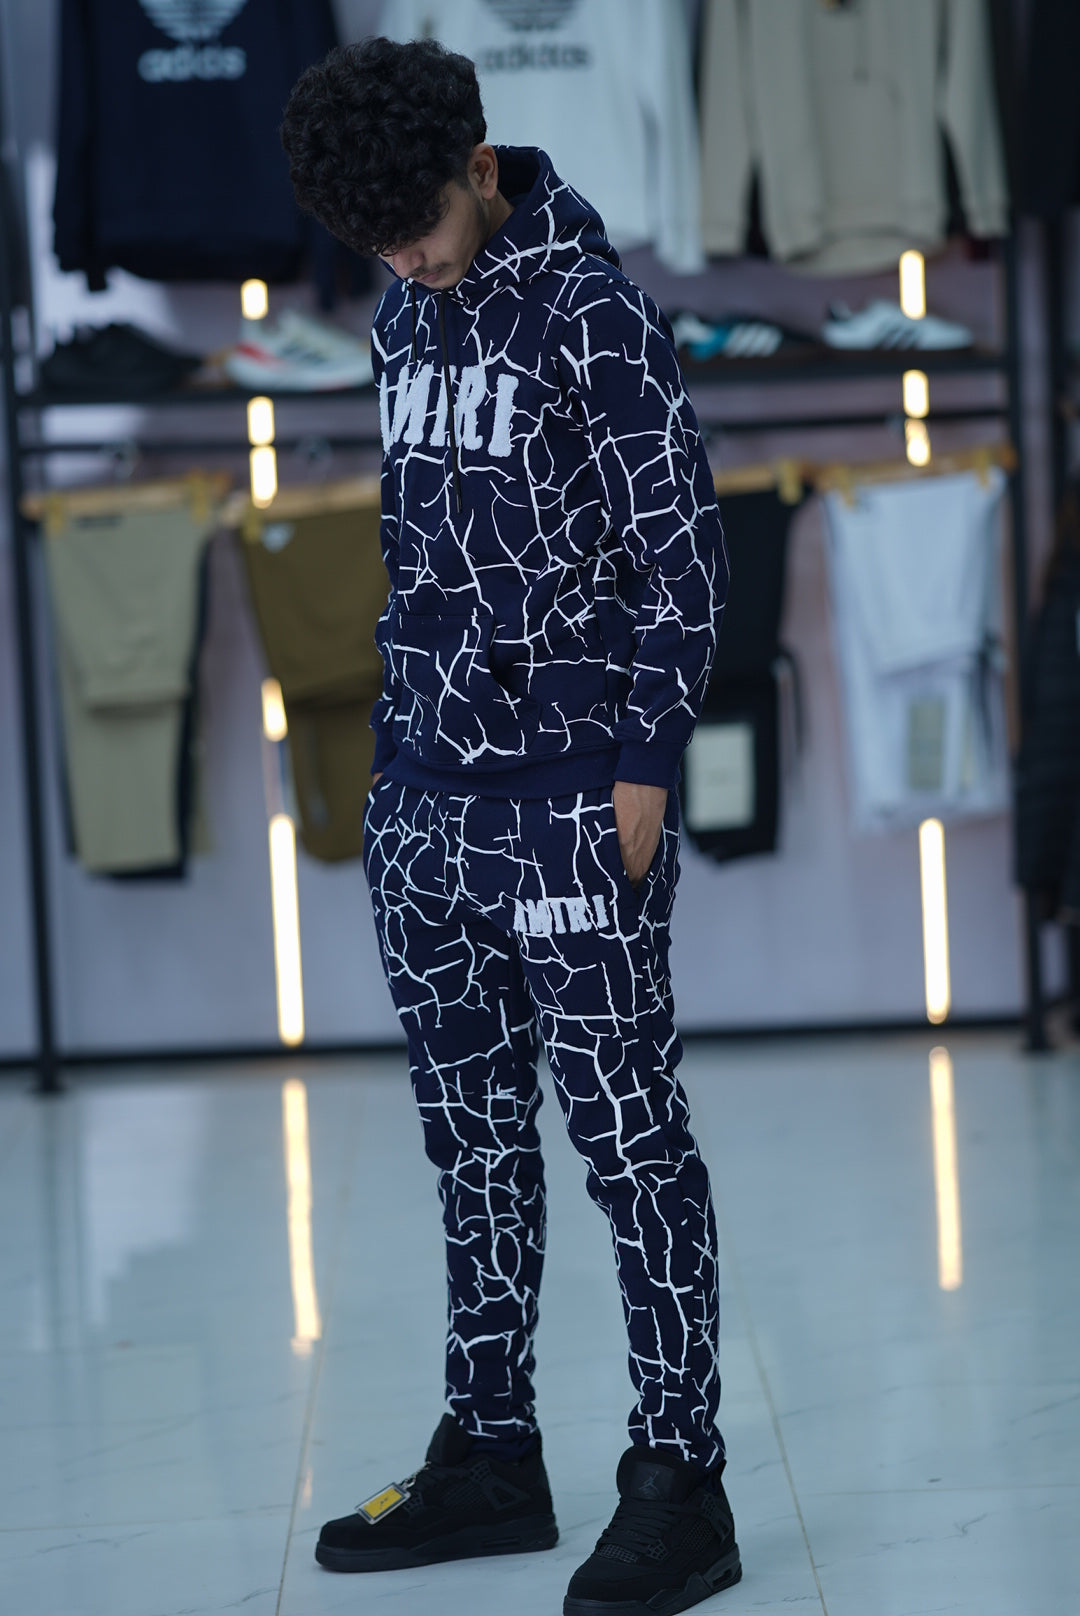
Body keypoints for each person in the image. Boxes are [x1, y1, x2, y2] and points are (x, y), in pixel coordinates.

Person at [281, 36, 739, 1616]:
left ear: (479, 170)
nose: (404, 262)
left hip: (567, 805)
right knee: (469, 1142)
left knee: (627, 1137)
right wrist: (396, 771)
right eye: (375, 246)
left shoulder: (594, 312)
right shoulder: (405, 314)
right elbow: (420, 545)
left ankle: (680, 1479)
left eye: (417, 227)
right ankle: (490, 1449)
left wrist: (642, 765)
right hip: (427, 800)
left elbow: (685, 553)